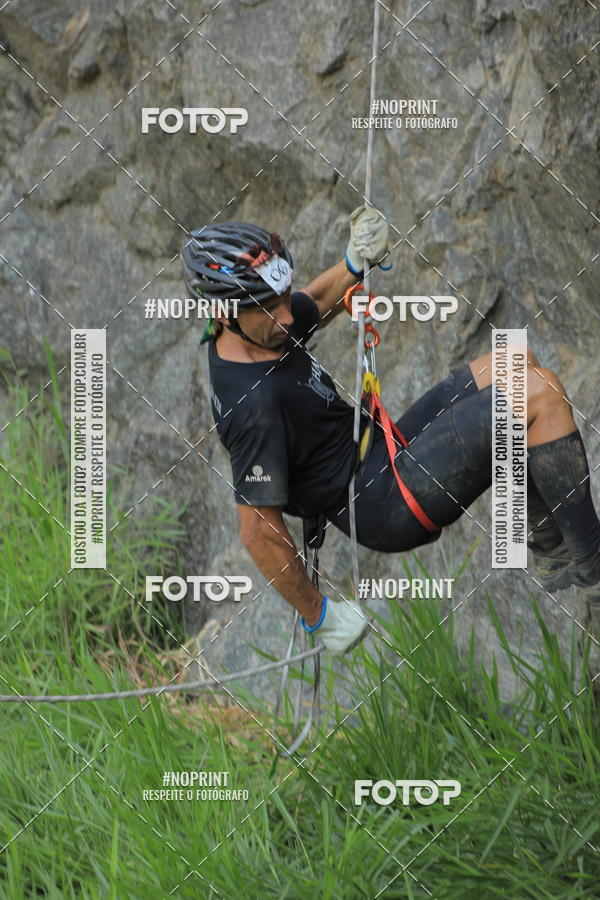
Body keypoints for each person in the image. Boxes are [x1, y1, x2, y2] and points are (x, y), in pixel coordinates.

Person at [181, 210, 600, 656]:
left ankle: (549, 543)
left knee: (516, 361)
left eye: (281, 296)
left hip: (380, 449)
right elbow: (257, 531)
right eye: (270, 307)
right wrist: (318, 615)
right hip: (382, 503)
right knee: (541, 396)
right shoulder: (253, 407)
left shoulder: (260, 327)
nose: (286, 315)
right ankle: (593, 571)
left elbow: (314, 302)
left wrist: (354, 260)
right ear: (220, 312)